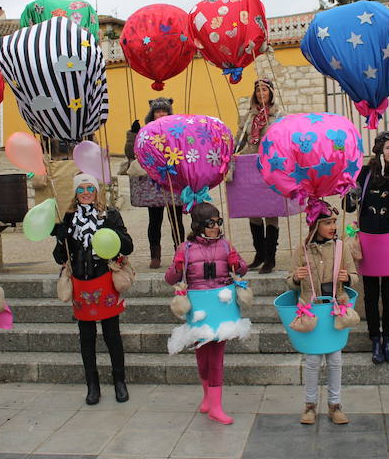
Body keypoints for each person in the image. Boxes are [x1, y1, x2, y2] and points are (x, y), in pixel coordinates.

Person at [53, 173, 134, 405]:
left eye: (90, 188)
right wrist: (60, 238)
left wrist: (112, 229)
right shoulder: (68, 218)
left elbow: (128, 246)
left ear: (97, 191)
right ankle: (92, 385)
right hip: (81, 282)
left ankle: (120, 381)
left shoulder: (109, 214)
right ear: (75, 193)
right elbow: (59, 257)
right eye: (81, 189)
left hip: (104, 280)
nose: (86, 192)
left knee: (112, 335)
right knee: (86, 337)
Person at [164, 202, 247, 425]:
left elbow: (243, 268)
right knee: (202, 355)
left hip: (221, 307)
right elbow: (170, 279)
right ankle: (207, 398)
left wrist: (236, 262)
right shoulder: (186, 248)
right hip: (199, 308)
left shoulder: (225, 245)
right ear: (199, 225)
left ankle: (216, 407)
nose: (216, 227)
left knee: (217, 355)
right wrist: (178, 267)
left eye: (219, 222)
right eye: (211, 223)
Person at [345, 131, 389, 365]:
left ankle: (388, 339)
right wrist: (352, 196)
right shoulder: (364, 173)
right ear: (379, 150)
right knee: (371, 294)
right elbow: (348, 206)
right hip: (369, 239)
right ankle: (374, 339)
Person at [287, 201, 358, 426]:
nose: (333, 226)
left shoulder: (341, 247)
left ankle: (334, 406)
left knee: (335, 359)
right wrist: (296, 278)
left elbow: (354, 275)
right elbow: (290, 283)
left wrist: (349, 278)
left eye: (334, 222)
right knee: (312, 360)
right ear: (315, 224)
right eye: (327, 222)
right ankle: (309, 406)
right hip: (311, 309)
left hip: (336, 308)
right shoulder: (302, 249)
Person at [126, 97, 184, 269]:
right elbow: (131, 152)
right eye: (158, 111)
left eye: (164, 111)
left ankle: (179, 254)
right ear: (152, 114)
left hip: (173, 179)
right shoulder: (145, 131)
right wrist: (133, 135)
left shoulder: (176, 130)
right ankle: (155, 255)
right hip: (153, 181)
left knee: (176, 219)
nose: (161, 114)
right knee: (155, 220)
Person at [235, 78, 283, 273]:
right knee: (253, 211)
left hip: (270, 167)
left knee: (271, 212)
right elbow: (240, 140)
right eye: (258, 90)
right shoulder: (248, 117)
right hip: (249, 167)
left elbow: (283, 140)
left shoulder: (279, 116)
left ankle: (270, 258)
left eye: (265, 89)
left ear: (271, 93)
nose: (261, 93)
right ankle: (259, 254)